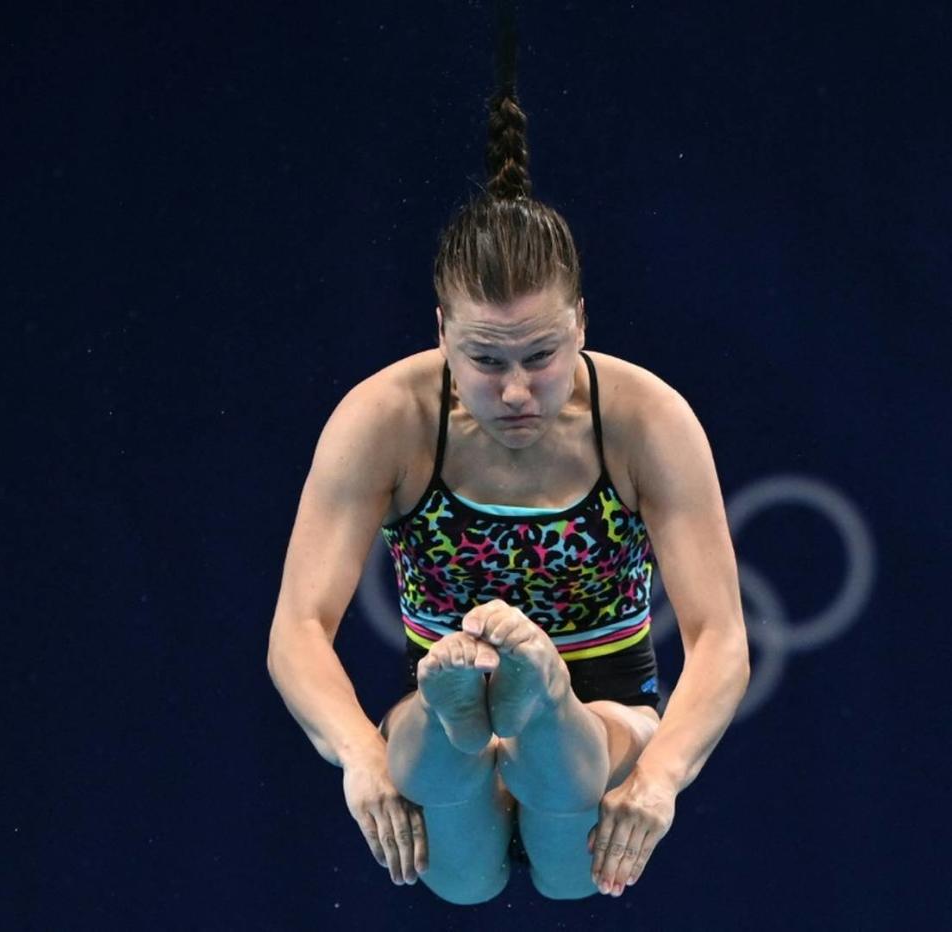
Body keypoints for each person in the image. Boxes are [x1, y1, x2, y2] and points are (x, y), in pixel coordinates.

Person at [266, 59, 749, 905]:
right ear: (442, 329)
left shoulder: (643, 420)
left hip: (610, 717)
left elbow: (722, 639)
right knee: (458, 861)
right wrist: (359, 758)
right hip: (448, 677)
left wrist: (663, 777)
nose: (517, 390)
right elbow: (298, 627)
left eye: (542, 355)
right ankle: (472, 705)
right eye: (485, 361)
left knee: (565, 849)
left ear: (582, 322)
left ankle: (541, 697)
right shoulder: (386, 419)